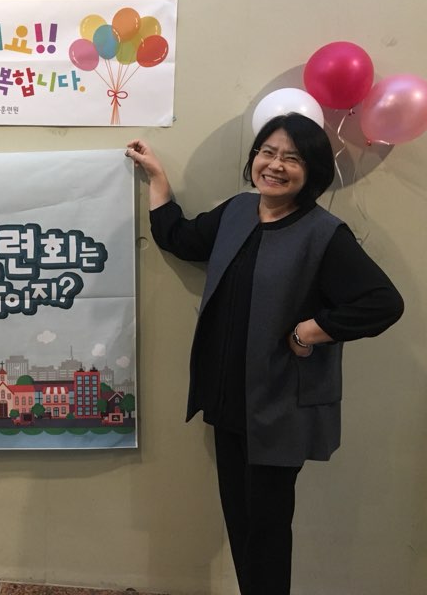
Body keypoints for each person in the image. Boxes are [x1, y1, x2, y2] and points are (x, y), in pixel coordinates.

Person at [126, 113, 404, 594]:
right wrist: (157, 178)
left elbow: (382, 303)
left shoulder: (323, 234)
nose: (275, 165)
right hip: (229, 401)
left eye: (291, 158)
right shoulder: (238, 211)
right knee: (241, 522)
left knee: (267, 531)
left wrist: (309, 331)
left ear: (311, 171)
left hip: (277, 407)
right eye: (267, 152)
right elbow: (181, 239)